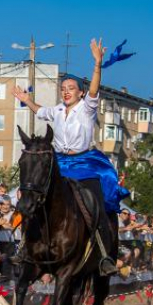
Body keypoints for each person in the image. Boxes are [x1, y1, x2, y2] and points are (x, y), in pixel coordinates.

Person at [13, 38, 130, 275]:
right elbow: (40, 110)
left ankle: (105, 255)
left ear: (81, 92)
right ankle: (25, 246)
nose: (66, 92)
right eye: (63, 89)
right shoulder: (56, 110)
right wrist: (27, 101)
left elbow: (96, 88)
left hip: (85, 163)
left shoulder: (87, 107)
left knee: (96, 204)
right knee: (33, 197)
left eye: (71, 89)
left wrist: (97, 64)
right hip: (60, 163)